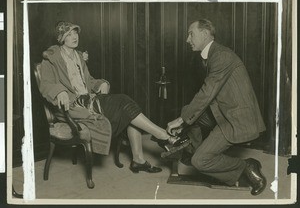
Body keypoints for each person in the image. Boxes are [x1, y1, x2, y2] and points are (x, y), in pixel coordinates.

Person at [39, 21, 185, 174]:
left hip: (89, 99)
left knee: (128, 110)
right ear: (61, 38)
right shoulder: (52, 57)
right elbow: (46, 84)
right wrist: (59, 91)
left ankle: (138, 160)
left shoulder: (78, 56)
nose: (74, 37)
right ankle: (163, 136)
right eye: (69, 34)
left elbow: (88, 82)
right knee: (123, 101)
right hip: (76, 104)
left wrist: (100, 84)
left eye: (75, 33)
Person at [166, 19, 267, 195]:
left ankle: (246, 166)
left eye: (191, 34)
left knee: (201, 161)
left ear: (205, 34)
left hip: (235, 118)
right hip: (221, 111)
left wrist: (181, 120)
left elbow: (207, 92)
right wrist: (184, 120)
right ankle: (189, 147)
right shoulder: (211, 54)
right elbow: (207, 97)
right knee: (189, 114)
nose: (187, 39)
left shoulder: (221, 56)